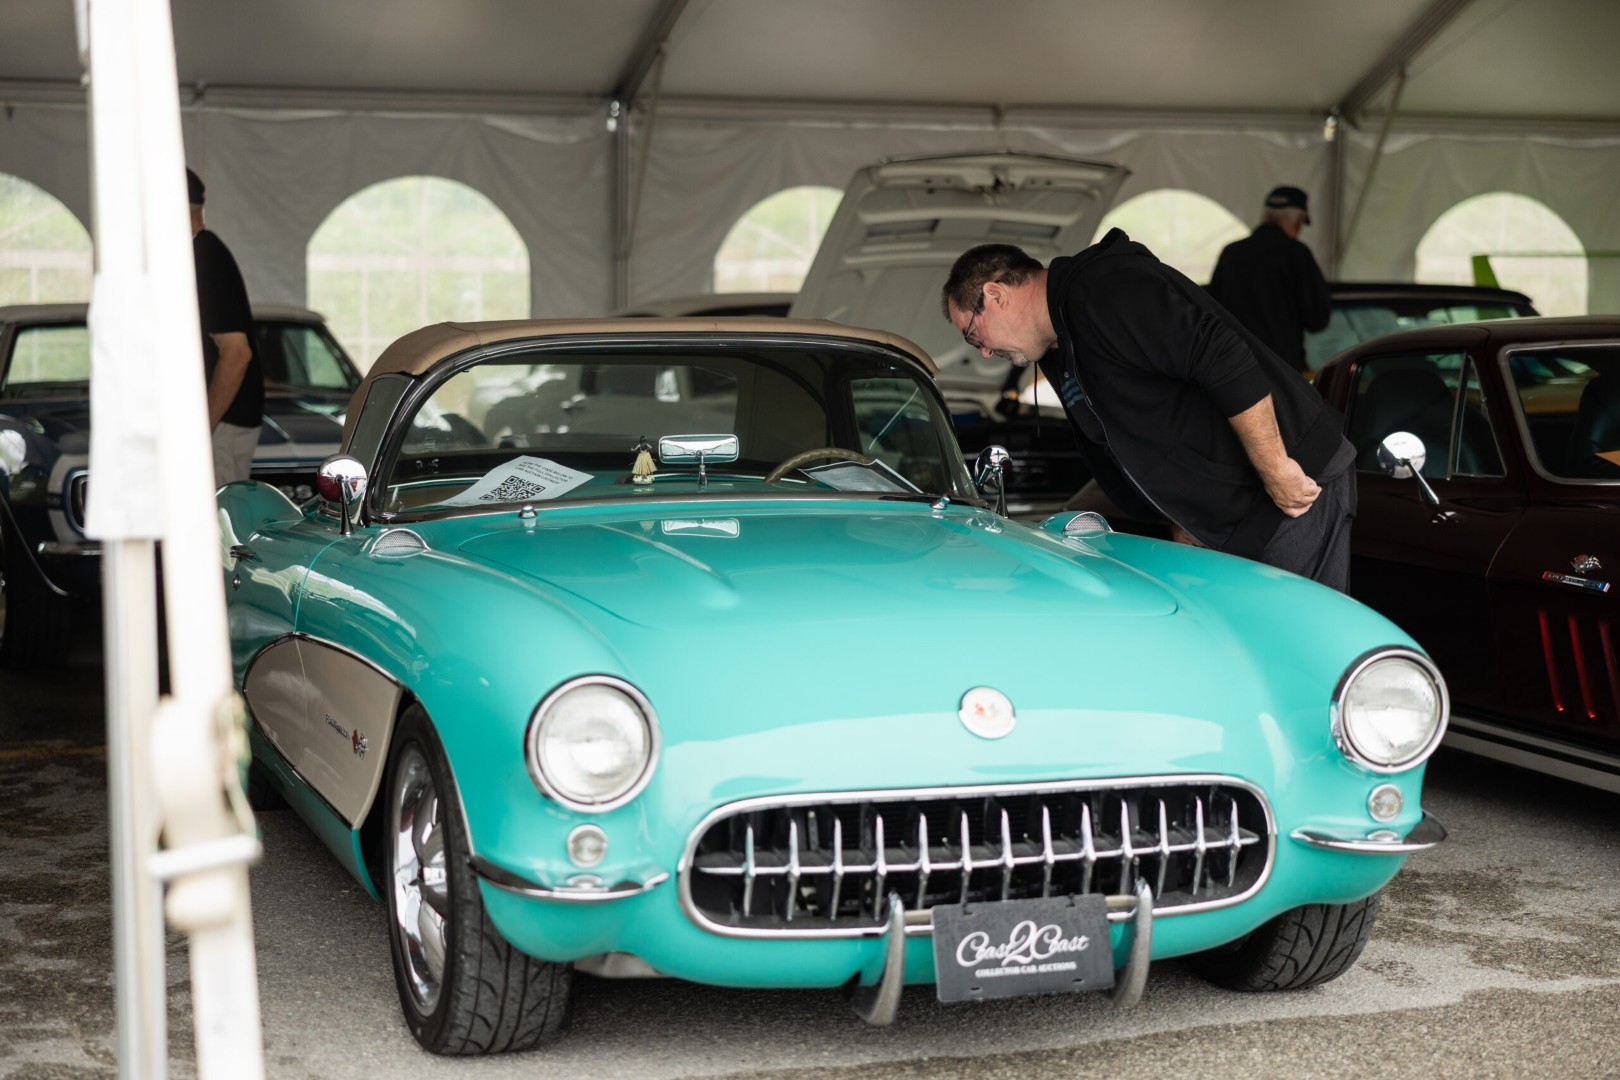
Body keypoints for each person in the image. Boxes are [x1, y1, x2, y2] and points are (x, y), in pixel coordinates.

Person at [941, 233, 1357, 591]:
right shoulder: (1059, 344)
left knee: (1295, 639)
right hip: (1231, 515)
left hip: (1292, 489)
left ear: (996, 295)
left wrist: (1276, 469)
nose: (983, 351)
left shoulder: (1103, 291)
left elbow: (1222, 356)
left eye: (973, 334)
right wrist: (1183, 518)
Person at [188, 167, 262, 486]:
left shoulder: (205, 258)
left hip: (222, 428)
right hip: (221, 425)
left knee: (216, 515)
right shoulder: (201, 253)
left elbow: (236, 353)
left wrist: (201, 428)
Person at [1206, 185, 1331, 373]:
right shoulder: (1297, 254)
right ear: (1298, 220)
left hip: (1233, 368)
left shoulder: (1231, 253)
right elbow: (1317, 318)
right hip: (1281, 370)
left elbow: (1212, 308)